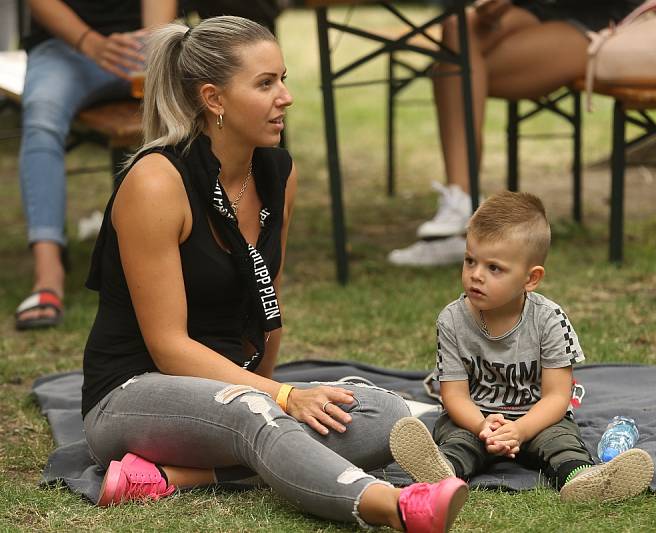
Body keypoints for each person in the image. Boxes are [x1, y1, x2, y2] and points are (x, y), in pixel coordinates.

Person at [80, 16, 467, 532]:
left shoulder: (277, 173)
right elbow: (168, 347)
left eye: (282, 79)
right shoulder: (156, 181)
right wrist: (277, 398)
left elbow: (267, 304)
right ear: (214, 99)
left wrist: (272, 392)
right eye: (265, 84)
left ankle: (178, 476)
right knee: (253, 413)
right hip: (131, 392)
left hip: (231, 389)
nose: (285, 96)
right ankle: (393, 507)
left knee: (384, 412)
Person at [389, 191, 654, 502]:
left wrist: (522, 430)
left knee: (561, 441)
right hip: (476, 418)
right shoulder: (452, 320)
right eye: (470, 260)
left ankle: (582, 480)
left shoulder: (549, 320)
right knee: (457, 439)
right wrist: (483, 425)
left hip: (537, 417)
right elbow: (454, 395)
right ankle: (442, 472)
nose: (476, 275)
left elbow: (557, 395)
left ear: (531, 279)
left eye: (494, 268)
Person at [388, 0, 645, 267]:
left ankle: (460, 219)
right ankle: (461, 201)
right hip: (536, 9)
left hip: (604, 23)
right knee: (457, 32)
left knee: (454, 68)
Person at [14, 0, 178, 330]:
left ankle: (188, 260)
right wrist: (91, 42)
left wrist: (152, 42)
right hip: (66, 46)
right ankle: (48, 275)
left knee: (187, 107)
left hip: (145, 42)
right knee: (42, 117)